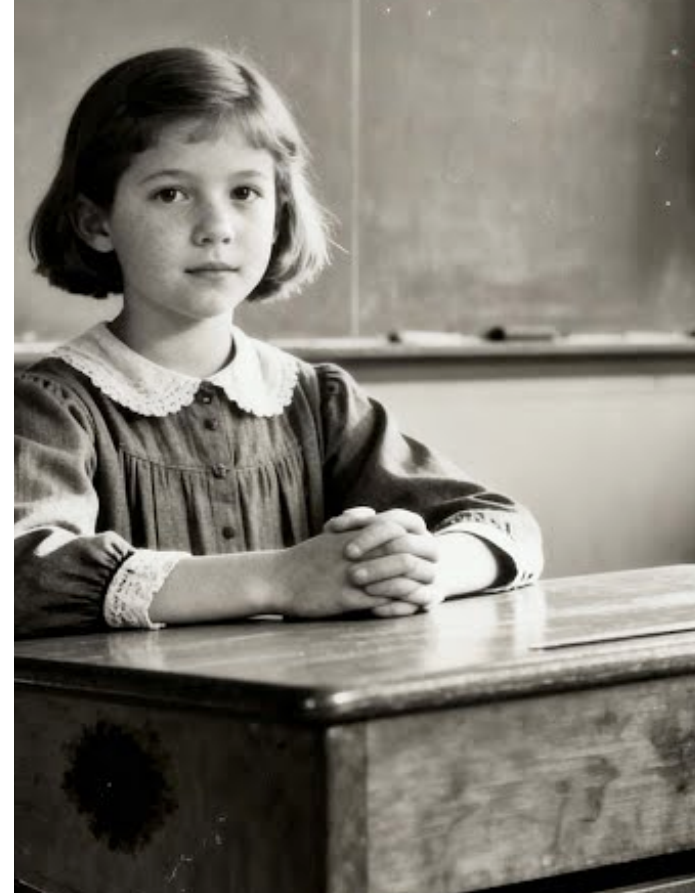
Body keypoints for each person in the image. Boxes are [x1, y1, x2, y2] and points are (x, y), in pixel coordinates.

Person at [15, 47, 543, 638]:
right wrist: (281, 579)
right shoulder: (50, 408)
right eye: (171, 194)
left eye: (245, 193)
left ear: (279, 211)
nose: (217, 227)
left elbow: (505, 525)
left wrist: (424, 569)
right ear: (96, 223)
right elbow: (23, 575)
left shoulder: (318, 401)